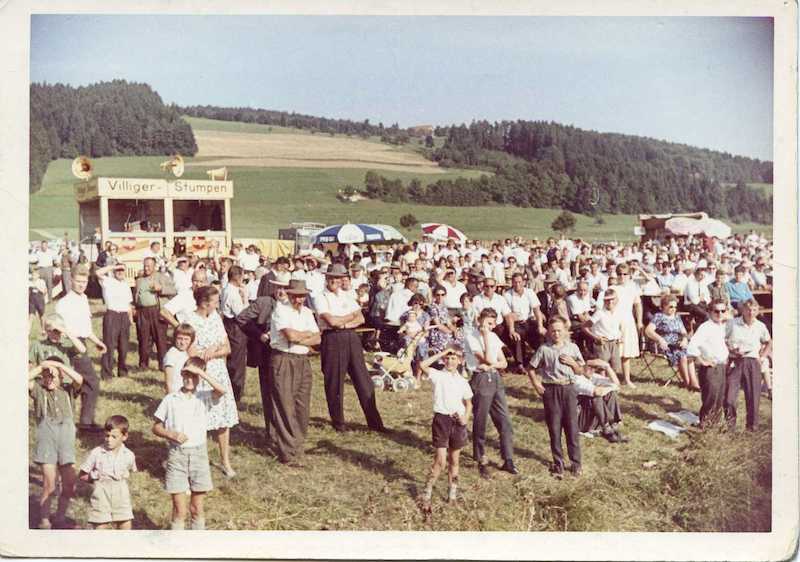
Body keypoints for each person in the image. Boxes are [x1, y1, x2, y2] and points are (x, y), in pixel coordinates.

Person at [153, 357, 227, 530]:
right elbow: (156, 427)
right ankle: (176, 549)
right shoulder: (170, 399)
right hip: (176, 455)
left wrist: (200, 371)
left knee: (197, 508)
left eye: (193, 376)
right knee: (180, 510)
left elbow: (222, 390)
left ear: (199, 377)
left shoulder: (204, 397)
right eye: (186, 374)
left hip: (199, 455)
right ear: (181, 374)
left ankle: (196, 547)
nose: (189, 379)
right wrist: (169, 433)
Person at [314, 263, 386, 433]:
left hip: (351, 337)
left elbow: (360, 318)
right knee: (334, 383)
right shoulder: (320, 297)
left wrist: (343, 322)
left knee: (364, 381)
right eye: (332, 278)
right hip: (332, 338)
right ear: (326, 278)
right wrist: (348, 317)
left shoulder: (346, 296)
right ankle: (339, 423)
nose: (335, 281)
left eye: (338, 278)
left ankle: (375, 423)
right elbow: (331, 322)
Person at [185, 285, 239, 477]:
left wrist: (214, 350)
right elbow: (191, 353)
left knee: (223, 418)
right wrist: (207, 353)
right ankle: (199, 461)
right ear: (205, 303)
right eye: (215, 302)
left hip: (219, 372)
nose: (218, 305)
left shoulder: (215, 317)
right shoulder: (189, 320)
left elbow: (228, 348)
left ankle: (225, 461)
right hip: (200, 373)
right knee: (200, 419)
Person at [269, 279, 321, 466]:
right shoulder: (280, 311)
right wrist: (304, 335)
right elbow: (290, 336)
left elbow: (318, 338)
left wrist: (301, 337)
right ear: (289, 294)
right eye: (296, 296)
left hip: (303, 360)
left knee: (301, 405)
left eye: (302, 296)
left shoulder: (307, 312)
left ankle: (297, 445)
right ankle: (288, 452)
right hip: (284, 358)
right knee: (285, 404)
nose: (299, 299)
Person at [28, 356, 84, 529]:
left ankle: (60, 516)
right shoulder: (38, 389)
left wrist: (59, 365)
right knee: (49, 483)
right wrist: (42, 367)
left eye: (53, 376)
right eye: (46, 376)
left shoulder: (68, 390)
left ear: (61, 376)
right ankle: (44, 520)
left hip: (65, 439)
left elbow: (79, 379)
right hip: (47, 440)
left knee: (69, 484)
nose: (49, 379)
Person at [463, 308, 518, 478]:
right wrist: (485, 337)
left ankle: (507, 458)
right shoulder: (471, 336)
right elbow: (485, 358)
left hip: (495, 379)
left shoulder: (494, 336)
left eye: (493, 324)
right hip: (480, 379)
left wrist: (493, 364)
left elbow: (504, 363)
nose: (490, 327)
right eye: (487, 322)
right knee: (481, 420)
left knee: (505, 420)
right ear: (479, 319)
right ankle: (479, 455)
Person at [528, 316, 585, 478]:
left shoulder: (573, 348)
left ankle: (576, 463)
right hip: (551, 390)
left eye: (560, 330)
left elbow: (581, 371)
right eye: (553, 331)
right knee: (554, 427)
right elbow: (530, 368)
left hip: (568, 388)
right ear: (548, 333)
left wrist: (573, 364)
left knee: (572, 427)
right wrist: (537, 385)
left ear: (566, 331)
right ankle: (558, 462)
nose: (556, 334)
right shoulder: (544, 349)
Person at [418, 344, 473, 506]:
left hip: (458, 422)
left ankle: (452, 493)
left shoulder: (463, 381)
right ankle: (427, 491)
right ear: (443, 360)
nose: (450, 361)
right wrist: (443, 352)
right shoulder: (438, 375)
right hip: (441, 420)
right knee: (440, 461)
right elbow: (422, 365)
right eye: (447, 358)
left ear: (460, 361)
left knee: (454, 460)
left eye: (453, 358)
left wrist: (465, 418)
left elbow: (469, 403)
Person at [55, 264, 107, 432]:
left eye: (84, 282)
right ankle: (84, 422)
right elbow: (60, 331)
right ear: (71, 281)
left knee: (77, 383)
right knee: (91, 382)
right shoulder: (63, 303)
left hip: (82, 343)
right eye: (78, 281)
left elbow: (85, 327)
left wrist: (97, 341)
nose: (81, 285)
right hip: (71, 346)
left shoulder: (84, 298)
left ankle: (74, 420)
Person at [78, 415, 137, 530]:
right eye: (107, 435)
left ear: (124, 437)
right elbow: (81, 475)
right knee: (101, 527)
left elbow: (131, 471)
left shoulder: (129, 455)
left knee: (125, 526)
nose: (109, 439)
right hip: (101, 493)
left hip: (121, 494)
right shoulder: (97, 453)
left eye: (114, 437)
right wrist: (94, 476)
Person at [725, 299, 772, 431]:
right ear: (743, 310)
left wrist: (762, 357)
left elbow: (768, 342)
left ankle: (752, 427)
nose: (751, 312)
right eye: (748, 309)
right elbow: (723, 339)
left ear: (757, 311)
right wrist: (730, 350)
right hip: (735, 361)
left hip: (752, 361)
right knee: (729, 397)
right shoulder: (732, 323)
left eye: (754, 310)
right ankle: (730, 426)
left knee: (753, 396)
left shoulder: (760, 326)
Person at [686, 299, 730, 429]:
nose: (720, 313)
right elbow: (692, 347)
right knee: (711, 397)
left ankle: (714, 425)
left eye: (723, 311)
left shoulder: (722, 326)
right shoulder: (706, 327)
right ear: (710, 312)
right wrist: (701, 360)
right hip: (711, 367)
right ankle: (704, 424)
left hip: (722, 366)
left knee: (719, 398)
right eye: (716, 311)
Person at [644, 296, 700, 390]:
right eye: (671, 307)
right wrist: (660, 339)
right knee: (682, 355)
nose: (673, 309)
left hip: (679, 343)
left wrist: (685, 339)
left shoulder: (677, 317)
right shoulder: (659, 316)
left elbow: (684, 332)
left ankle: (694, 384)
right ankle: (687, 383)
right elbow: (648, 331)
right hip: (665, 345)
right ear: (664, 306)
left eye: (675, 307)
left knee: (690, 353)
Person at [134, 257, 175, 371]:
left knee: (160, 339)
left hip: (157, 311)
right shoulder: (140, 279)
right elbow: (136, 295)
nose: (146, 268)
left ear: (154, 266)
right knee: (144, 339)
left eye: (149, 266)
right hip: (143, 311)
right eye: (145, 266)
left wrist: (161, 288)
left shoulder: (161, 277)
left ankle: (163, 365)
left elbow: (173, 289)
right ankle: (143, 365)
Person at [96, 263, 134, 379]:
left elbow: (128, 304)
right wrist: (113, 266)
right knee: (109, 345)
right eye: (118, 270)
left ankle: (122, 371)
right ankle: (107, 373)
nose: (120, 272)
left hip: (124, 316)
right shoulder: (108, 281)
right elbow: (98, 273)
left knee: (124, 346)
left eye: (122, 270)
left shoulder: (126, 285)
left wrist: (131, 319)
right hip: (112, 314)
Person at [504, 272, 547, 372]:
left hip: (529, 320)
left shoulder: (530, 292)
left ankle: (541, 359)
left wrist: (540, 325)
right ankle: (520, 364)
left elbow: (537, 310)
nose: (517, 284)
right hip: (515, 323)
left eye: (519, 282)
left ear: (524, 282)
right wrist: (512, 329)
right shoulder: (507, 295)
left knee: (539, 333)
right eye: (515, 282)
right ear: (512, 283)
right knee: (517, 336)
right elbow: (508, 314)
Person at [220, 265, 249, 404]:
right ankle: (236, 395)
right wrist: (245, 299)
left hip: (230, 325)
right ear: (237, 277)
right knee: (237, 363)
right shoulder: (232, 292)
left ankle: (233, 391)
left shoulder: (227, 289)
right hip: (235, 328)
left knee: (233, 361)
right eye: (242, 276)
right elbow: (242, 314)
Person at [582, 289, 622, 385]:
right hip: (602, 343)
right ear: (604, 301)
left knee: (615, 367)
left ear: (616, 300)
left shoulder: (618, 312)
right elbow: (584, 327)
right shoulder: (599, 313)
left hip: (614, 342)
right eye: (607, 300)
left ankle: (612, 386)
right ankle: (602, 386)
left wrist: (620, 336)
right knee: (602, 368)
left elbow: (617, 327)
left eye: (612, 299)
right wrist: (596, 337)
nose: (610, 302)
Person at [614, 264, 643, 388]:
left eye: (625, 274)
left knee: (626, 352)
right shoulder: (612, 288)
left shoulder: (633, 288)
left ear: (629, 275)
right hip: (614, 321)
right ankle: (612, 378)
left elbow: (638, 305)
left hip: (628, 320)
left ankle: (627, 379)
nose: (622, 276)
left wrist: (639, 321)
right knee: (613, 351)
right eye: (619, 274)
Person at [163, 323, 196, 394]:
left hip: (184, 391)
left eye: (186, 339)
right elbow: (168, 381)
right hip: (174, 392)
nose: (183, 342)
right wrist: (171, 397)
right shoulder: (171, 354)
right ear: (175, 338)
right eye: (180, 338)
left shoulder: (185, 353)